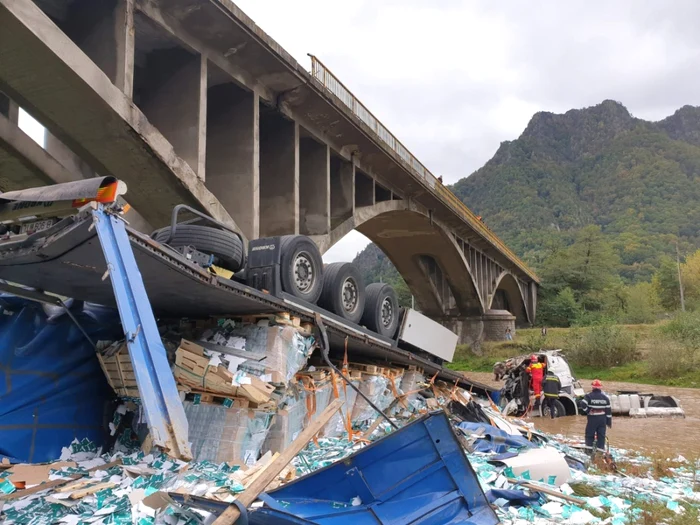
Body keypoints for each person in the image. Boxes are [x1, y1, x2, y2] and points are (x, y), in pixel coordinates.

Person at [581, 379, 612, 456]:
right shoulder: (605, 398)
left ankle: (589, 453)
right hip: (602, 420)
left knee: (589, 435)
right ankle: (599, 454)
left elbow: (582, 404)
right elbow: (608, 412)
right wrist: (609, 422)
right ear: (600, 388)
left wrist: (587, 410)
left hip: (592, 419)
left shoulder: (589, 396)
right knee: (601, 436)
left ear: (592, 387)